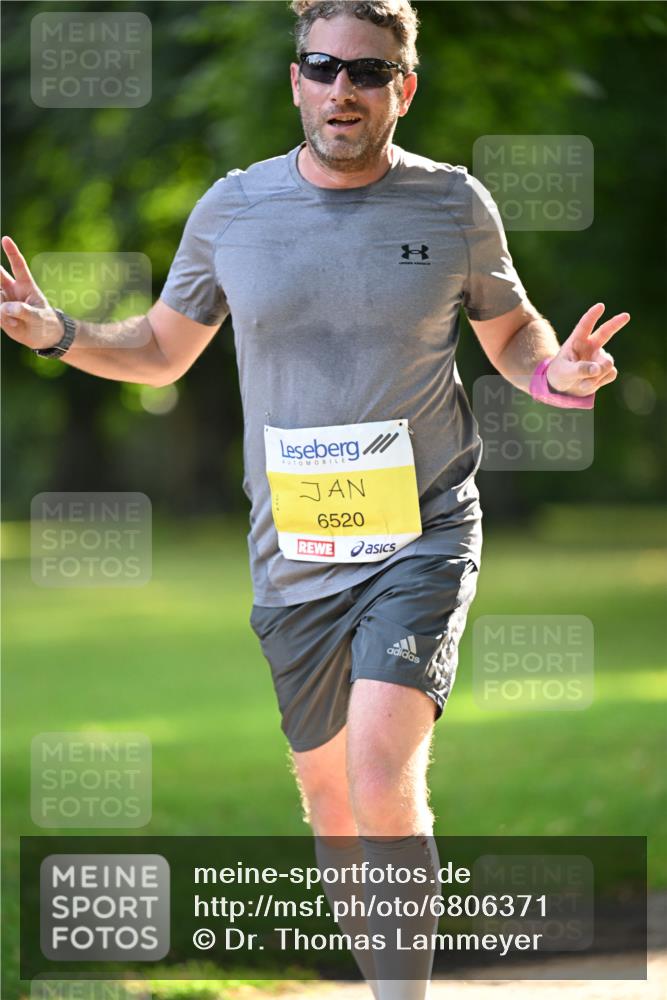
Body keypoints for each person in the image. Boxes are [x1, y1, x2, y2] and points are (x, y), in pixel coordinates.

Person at [1, 1, 629, 995]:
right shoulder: (232, 210)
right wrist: (60, 335)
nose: (343, 89)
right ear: (295, 78)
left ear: (402, 88)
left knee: (383, 777)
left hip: (421, 529)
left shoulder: (452, 204)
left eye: (368, 73)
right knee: (333, 806)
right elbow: (164, 346)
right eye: (322, 67)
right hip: (294, 550)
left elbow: (512, 336)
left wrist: (563, 375)